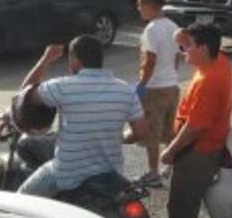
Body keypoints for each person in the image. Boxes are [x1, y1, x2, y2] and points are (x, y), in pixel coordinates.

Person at [16, 35, 148, 197]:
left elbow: (24, 95)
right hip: (112, 174)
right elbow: (141, 132)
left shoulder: (62, 86)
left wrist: (46, 60)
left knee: (21, 199)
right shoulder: (125, 90)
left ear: (74, 60)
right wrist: (118, 137)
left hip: (67, 174)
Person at [152, 24, 232, 218]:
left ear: (204, 48)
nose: (182, 51)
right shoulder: (219, 60)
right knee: (180, 204)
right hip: (200, 149)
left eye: (187, 47)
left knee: (182, 206)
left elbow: (196, 126)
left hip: (197, 152)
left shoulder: (209, 80)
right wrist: (184, 37)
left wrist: (170, 151)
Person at [135, 0, 183, 188]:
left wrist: (142, 84)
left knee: (152, 132)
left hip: (155, 87)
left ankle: (153, 172)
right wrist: (171, 74)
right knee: (169, 129)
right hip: (172, 85)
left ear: (148, 5)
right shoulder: (173, 25)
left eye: (140, 5)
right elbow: (177, 56)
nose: (138, 9)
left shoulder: (151, 29)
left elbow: (150, 59)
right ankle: (171, 168)